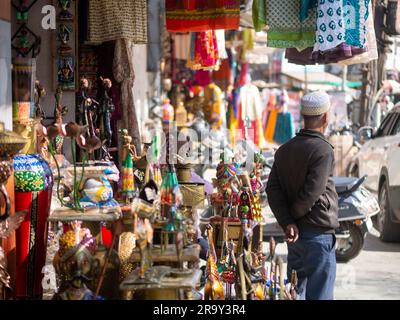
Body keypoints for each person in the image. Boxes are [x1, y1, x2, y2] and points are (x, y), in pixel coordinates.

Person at [266, 91, 339, 300]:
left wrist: (288, 222)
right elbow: (312, 192)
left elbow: (273, 189)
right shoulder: (323, 150)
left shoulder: (284, 150)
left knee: (295, 293)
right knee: (319, 295)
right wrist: (293, 219)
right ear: (325, 117)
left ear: (303, 117)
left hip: (295, 237)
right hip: (317, 235)